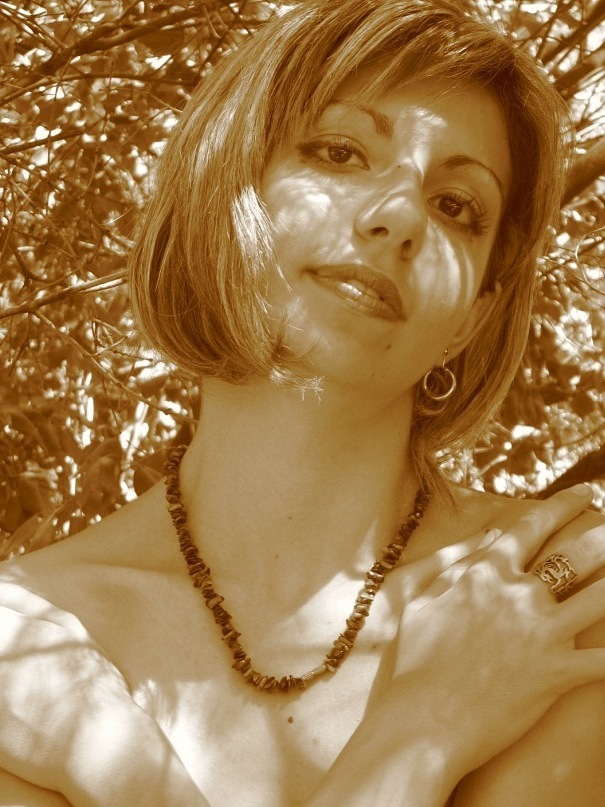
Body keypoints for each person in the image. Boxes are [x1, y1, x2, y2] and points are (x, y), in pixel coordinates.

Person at [1, 0, 604, 804]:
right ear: (224, 190)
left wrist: (123, 775)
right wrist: (424, 733)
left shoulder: (553, 594)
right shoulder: (30, 639)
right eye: (341, 152)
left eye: (456, 206)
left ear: (472, 316)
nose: (398, 217)